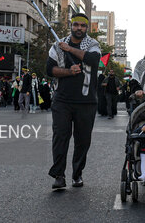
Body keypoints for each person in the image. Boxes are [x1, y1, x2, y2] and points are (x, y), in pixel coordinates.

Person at [46, 13, 101, 190]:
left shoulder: (93, 44)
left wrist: (70, 50)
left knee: (82, 141)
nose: (79, 28)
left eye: (82, 26)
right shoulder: (58, 44)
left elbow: (93, 60)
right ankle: (59, 175)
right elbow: (49, 69)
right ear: (71, 26)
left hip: (86, 102)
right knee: (60, 137)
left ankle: (77, 174)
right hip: (62, 100)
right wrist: (69, 72)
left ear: (86, 28)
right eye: (76, 25)